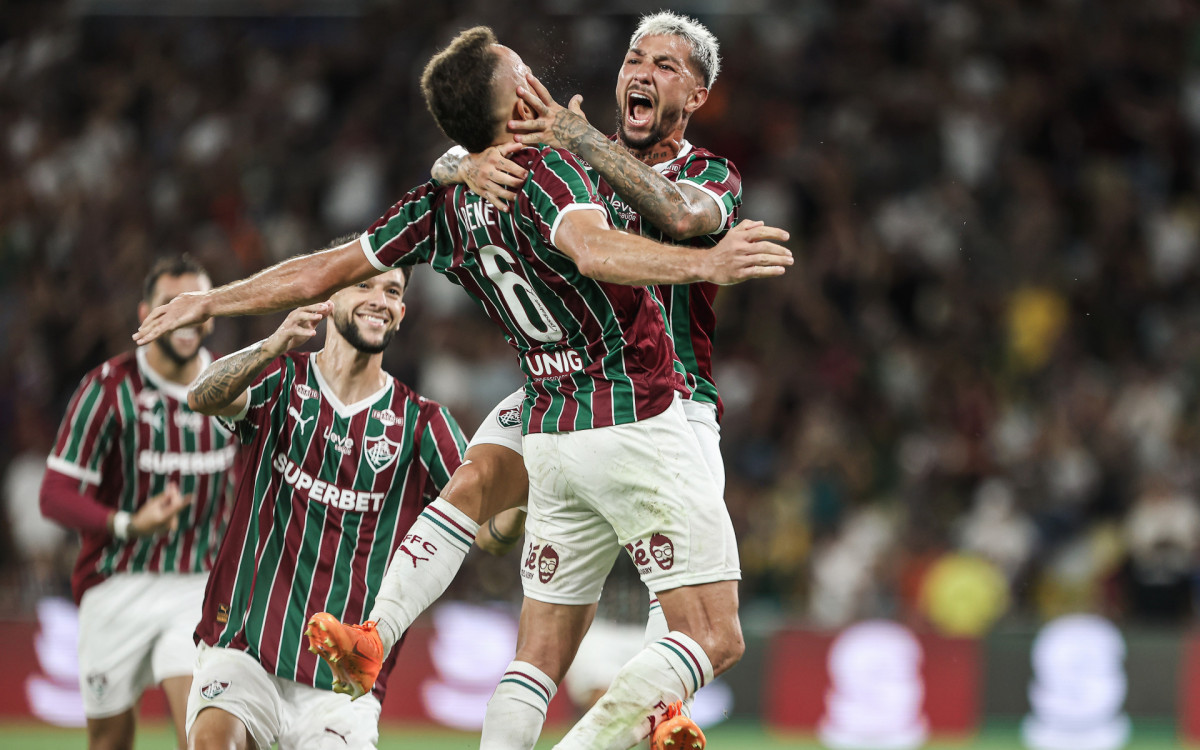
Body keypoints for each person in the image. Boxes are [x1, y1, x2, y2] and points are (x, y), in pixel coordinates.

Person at [133, 26, 790, 750]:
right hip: (600, 400)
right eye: (635, 58)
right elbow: (571, 227)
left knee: (569, 621)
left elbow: (681, 214)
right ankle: (376, 636)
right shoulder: (553, 159)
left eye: (665, 66)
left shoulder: (682, 169)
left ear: (696, 95)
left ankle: (659, 713)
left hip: (660, 402)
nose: (642, 71)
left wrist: (473, 161)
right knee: (494, 504)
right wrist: (466, 160)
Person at [180, 268, 468, 749]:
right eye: (364, 285)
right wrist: (271, 345)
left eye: (392, 292)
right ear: (328, 296)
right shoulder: (281, 377)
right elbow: (201, 396)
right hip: (244, 649)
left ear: (401, 313)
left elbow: (493, 527)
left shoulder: (422, 424)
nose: (379, 299)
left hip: (343, 686)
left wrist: (521, 485)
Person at [39, 255, 237, 750]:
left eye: (196, 304)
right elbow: (55, 494)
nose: (186, 315)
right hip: (116, 585)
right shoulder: (108, 388)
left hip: (197, 586)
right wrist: (129, 524)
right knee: (109, 741)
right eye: (172, 304)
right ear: (146, 312)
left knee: (204, 737)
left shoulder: (235, 385)